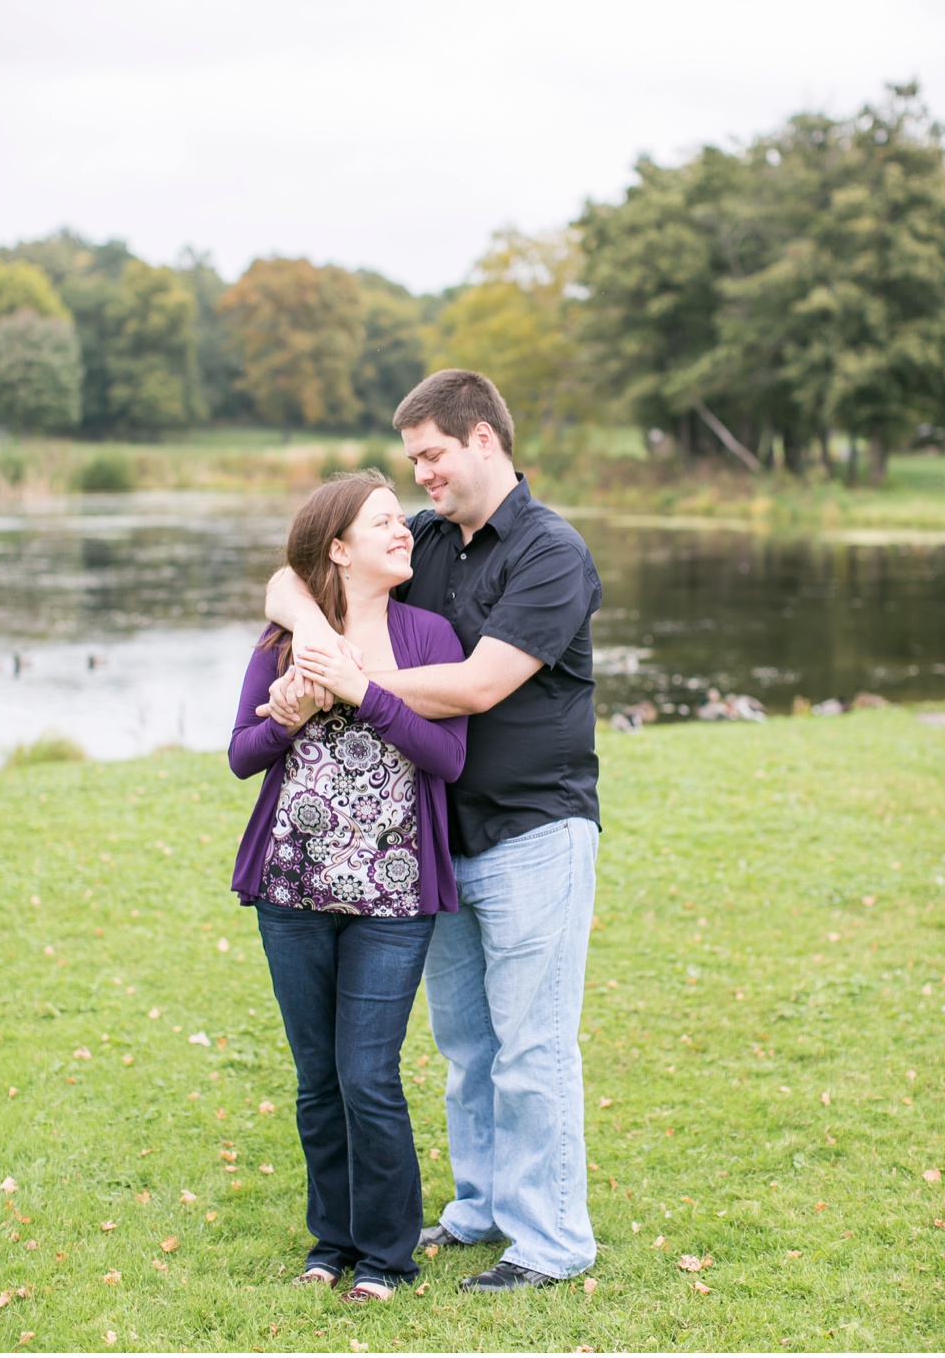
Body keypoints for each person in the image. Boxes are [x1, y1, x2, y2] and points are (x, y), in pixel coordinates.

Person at [260, 369, 604, 1292]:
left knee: (534, 1045)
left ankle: (553, 1241)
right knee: (466, 1047)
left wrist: (345, 683)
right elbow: (291, 578)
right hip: (440, 842)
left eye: (433, 455)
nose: (422, 476)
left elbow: (478, 685)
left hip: (537, 828)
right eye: (414, 461)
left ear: (483, 438)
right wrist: (310, 632)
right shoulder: (424, 539)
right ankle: (481, 1208)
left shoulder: (549, 551)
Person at [228, 470, 468, 1303]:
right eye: (383, 522)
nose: (404, 530)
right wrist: (284, 715)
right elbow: (241, 755)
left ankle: (387, 1256)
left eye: (402, 519)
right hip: (290, 888)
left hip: (394, 895)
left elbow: (448, 759)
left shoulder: (431, 634)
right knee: (316, 1078)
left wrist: (362, 691)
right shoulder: (283, 637)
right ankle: (329, 1240)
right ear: (339, 548)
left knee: (368, 1075)